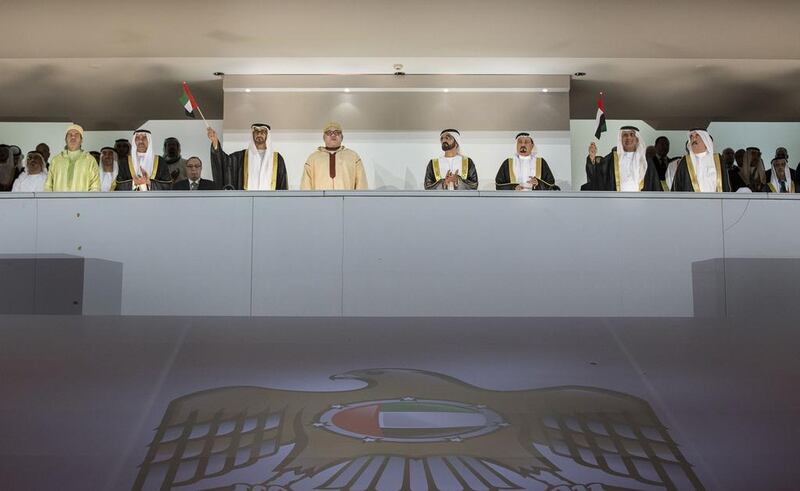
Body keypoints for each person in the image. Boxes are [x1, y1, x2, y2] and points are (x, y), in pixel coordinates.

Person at [207, 123, 288, 190]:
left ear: (267, 135)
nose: (259, 134)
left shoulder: (276, 159)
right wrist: (215, 142)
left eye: (263, 132)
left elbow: (283, 184)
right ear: (252, 134)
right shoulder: (241, 157)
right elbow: (224, 163)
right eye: (256, 131)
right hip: (246, 203)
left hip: (270, 203)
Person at [585, 126, 661, 191]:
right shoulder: (612, 159)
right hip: (616, 203)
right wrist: (592, 158)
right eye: (625, 135)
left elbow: (655, 184)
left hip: (641, 203)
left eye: (632, 135)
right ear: (620, 139)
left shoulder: (645, 160)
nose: (628, 138)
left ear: (637, 139)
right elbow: (598, 176)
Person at [301, 122, 367, 190]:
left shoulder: (353, 157)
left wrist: (358, 200)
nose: (333, 135)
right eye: (329, 133)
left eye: (337, 132)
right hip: (320, 200)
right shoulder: (313, 158)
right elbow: (305, 186)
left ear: (342, 137)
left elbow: (361, 184)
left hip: (346, 200)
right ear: (324, 137)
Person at [44, 124, 100, 192]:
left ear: (81, 140)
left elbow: (95, 187)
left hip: (83, 202)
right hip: (58, 202)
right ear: (65, 140)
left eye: (76, 135)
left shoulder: (90, 160)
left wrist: (86, 202)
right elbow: (48, 186)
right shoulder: (56, 160)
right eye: (70, 135)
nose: (73, 137)